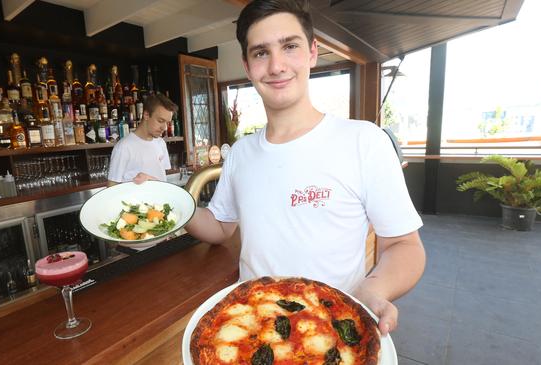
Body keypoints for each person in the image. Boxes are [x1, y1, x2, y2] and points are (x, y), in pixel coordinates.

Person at [138, 0, 425, 336]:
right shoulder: (242, 153)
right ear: (247, 66)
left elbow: (405, 246)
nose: (276, 66)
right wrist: (169, 200)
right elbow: (219, 227)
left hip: (330, 330)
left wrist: (372, 291)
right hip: (253, 330)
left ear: (312, 53)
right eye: (261, 52)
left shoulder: (363, 141)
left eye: (289, 46)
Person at [107, 93, 178, 186]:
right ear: (146, 115)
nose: (164, 128)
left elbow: (162, 179)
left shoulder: (161, 143)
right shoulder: (124, 147)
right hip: (135, 201)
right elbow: (112, 186)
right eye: (160, 121)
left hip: (161, 199)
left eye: (167, 123)